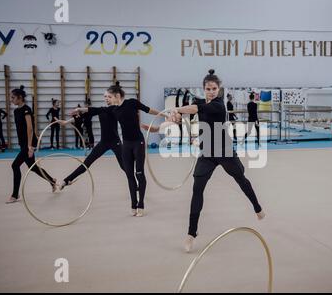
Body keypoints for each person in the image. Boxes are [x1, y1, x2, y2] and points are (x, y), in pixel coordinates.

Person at [170, 69, 265, 252]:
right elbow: (187, 115)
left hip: (225, 151)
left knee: (241, 179)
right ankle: (191, 234)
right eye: (208, 88)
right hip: (207, 153)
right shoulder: (200, 102)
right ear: (203, 89)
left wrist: (178, 110)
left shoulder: (219, 105)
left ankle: (257, 207)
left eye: (214, 88)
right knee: (197, 189)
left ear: (219, 89)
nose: (211, 91)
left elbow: (195, 110)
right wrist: (174, 117)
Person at [109, 81, 164, 217]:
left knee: (139, 173)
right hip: (126, 145)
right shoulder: (114, 110)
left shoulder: (132, 103)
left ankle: (141, 204)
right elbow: (97, 112)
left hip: (138, 143)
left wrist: (164, 115)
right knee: (129, 175)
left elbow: (148, 109)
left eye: (109, 97)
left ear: (117, 95)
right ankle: (133, 203)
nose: (107, 100)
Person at [6, 86, 57, 204]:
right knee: (32, 167)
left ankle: (15, 194)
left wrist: (30, 146)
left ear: (20, 98)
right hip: (23, 142)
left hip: (28, 143)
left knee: (15, 165)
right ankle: (52, 181)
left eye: (13, 97)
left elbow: (29, 128)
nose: (11, 99)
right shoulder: (16, 111)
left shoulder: (26, 109)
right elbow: (22, 128)